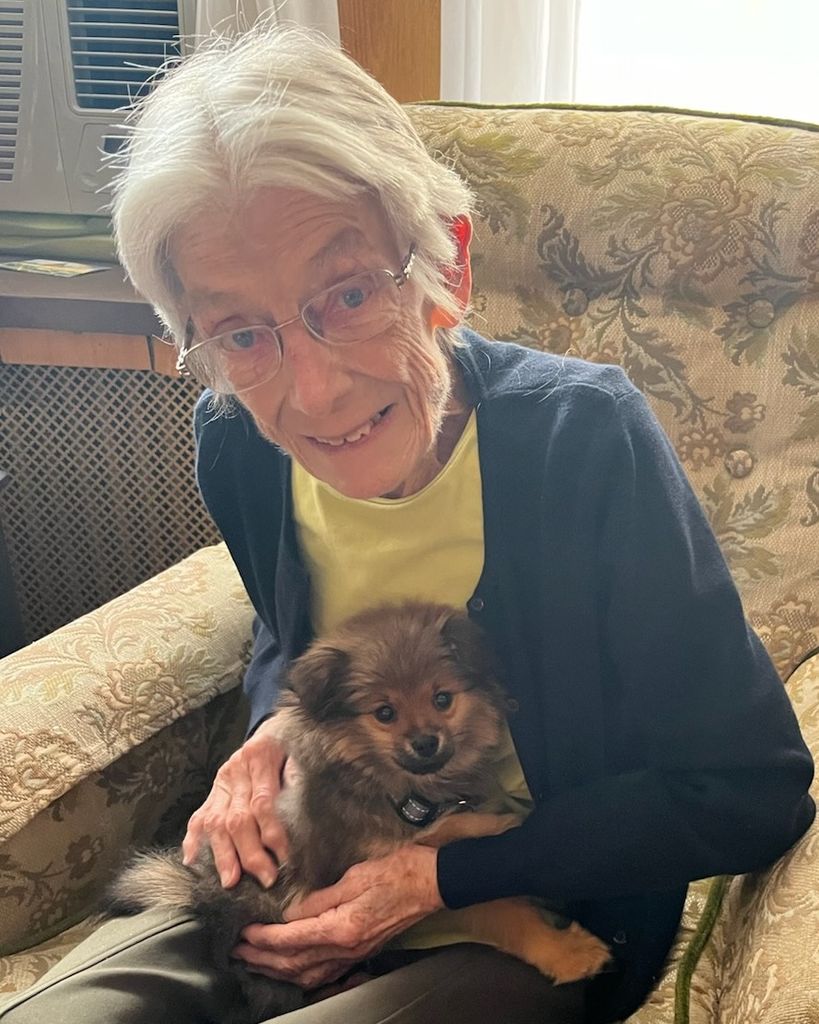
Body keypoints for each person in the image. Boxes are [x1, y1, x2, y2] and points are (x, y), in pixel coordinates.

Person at [2, 25, 814, 1024]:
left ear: (448, 269)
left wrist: (437, 879)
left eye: (347, 294)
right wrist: (270, 730)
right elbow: (288, 634)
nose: (312, 391)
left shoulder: (584, 440)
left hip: (539, 909)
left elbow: (752, 791)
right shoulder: (239, 442)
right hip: (314, 856)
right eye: (241, 333)